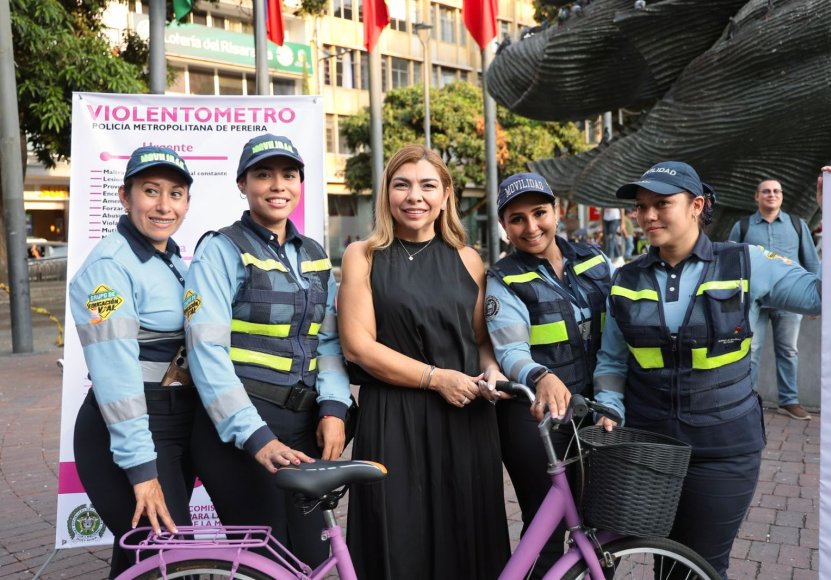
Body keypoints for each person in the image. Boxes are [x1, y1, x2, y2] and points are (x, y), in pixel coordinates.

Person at [592, 161, 822, 578]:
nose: (648, 216)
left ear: (696, 205)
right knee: (666, 564)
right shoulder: (625, 279)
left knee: (701, 566)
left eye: (662, 204)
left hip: (725, 449)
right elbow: (612, 360)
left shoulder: (747, 262)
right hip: (650, 448)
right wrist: (609, 405)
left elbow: (823, 295)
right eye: (641, 207)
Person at [339, 144, 510, 579]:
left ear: (445, 194)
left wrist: (490, 369)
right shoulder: (363, 255)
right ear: (387, 193)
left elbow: (479, 340)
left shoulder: (469, 260)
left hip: (465, 420)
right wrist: (436, 379)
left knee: (465, 540)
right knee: (400, 543)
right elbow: (359, 346)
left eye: (427, 185)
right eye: (402, 185)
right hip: (394, 419)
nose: (414, 196)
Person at [184, 133, 352, 565]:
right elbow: (206, 352)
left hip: (305, 422)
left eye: (288, 175)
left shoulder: (314, 254)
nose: (278, 185)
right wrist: (256, 438)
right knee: (268, 561)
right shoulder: (220, 249)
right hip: (242, 431)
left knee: (313, 558)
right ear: (242, 184)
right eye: (263, 175)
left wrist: (334, 407)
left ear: (299, 184)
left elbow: (328, 340)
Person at [70, 146, 197, 577]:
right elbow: (117, 378)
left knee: (144, 562)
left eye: (176, 194)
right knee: (173, 561)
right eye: (150, 191)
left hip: (172, 424)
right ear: (125, 198)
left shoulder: (173, 259)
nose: (164, 205)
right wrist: (142, 472)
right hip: (122, 436)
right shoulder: (109, 265)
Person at [485, 172, 611, 578]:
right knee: (546, 526)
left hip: (596, 410)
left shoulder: (595, 259)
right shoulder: (502, 279)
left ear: (557, 212)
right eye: (517, 219)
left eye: (539, 213)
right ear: (504, 226)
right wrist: (541, 375)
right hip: (535, 417)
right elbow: (510, 349)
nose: (531, 226)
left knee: (604, 526)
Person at [727, 178, 821, 420]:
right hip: (753, 300)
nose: (772, 194)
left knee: (789, 351)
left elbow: (811, 261)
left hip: (790, 299)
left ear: (782, 196)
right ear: (756, 196)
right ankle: (748, 399)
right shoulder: (743, 226)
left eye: (776, 191)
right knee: (751, 349)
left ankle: (789, 401)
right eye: (766, 191)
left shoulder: (797, 225)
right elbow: (730, 261)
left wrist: (817, 297)